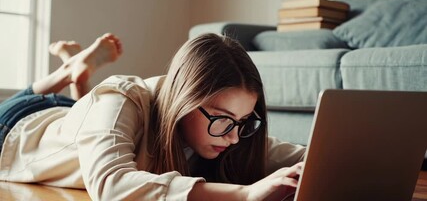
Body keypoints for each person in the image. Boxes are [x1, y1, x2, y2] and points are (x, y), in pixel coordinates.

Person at [0, 32, 305, 201]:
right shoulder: (121, 96)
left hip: (74, 120)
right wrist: (245, 194)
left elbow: (302, 155)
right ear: (186, 101)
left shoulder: (225, 129)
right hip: (17, 127)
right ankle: (66, 72)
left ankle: (76, 74)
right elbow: (112, 184)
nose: (234, 136)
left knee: (89, 123)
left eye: (242, 122)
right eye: (222, 118)